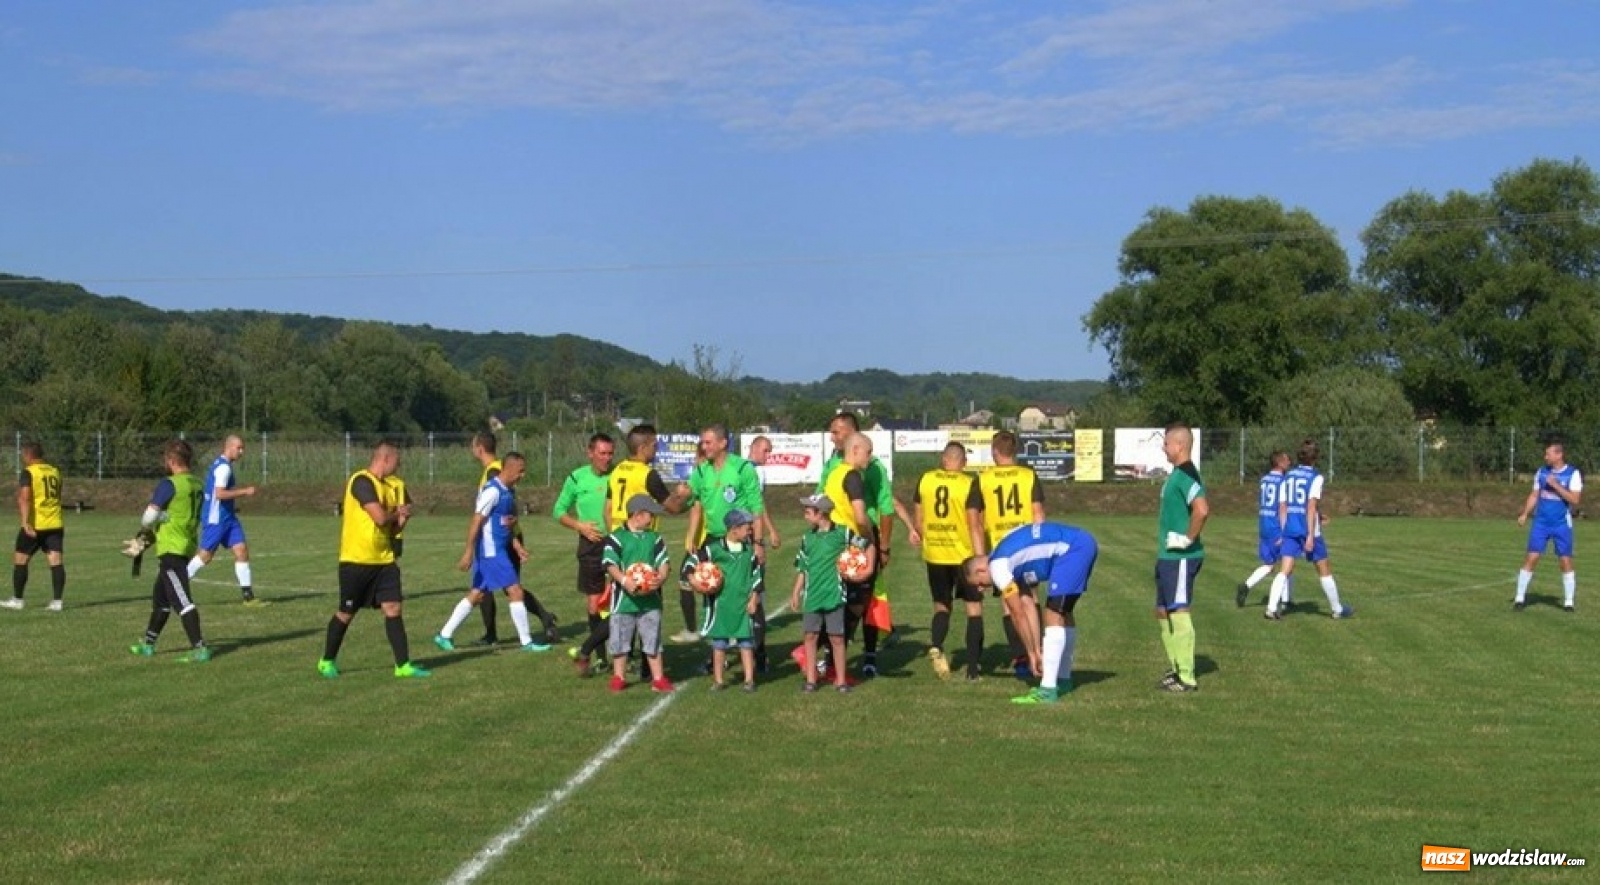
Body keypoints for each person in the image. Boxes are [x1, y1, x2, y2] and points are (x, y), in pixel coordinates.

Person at [316, 440, 430, 679]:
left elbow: (393, 528)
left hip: (384, 560)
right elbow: (379, 518)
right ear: (385, 459)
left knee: (393, 608)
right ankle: (327, 660)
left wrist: (403, 516)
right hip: (356, 561)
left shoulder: (390, 486)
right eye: (396, 463)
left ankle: (403, 665)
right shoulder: (361, 481)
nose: (397, 468)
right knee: (346, 613)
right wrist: (395, 513)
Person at [964, 522, 1098, 705]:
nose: (980, 589)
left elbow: (1017, 613)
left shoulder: (998, 567)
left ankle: (1047, 691)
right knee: (1063, 614)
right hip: (1081, 542)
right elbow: (1026, 604)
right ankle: (1064, 680)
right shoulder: (1003, 551)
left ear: (980, 570)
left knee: (1053, 613)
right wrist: (1034, 650)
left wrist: (1031, 654)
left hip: (1073, 550)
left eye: (977, 583)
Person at [434, 452, 551, 652]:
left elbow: (504, 523)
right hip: (491, 551)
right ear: (509, 468)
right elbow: (476, 521)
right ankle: (527, 642)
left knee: (477, 594)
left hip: (497, 549)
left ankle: (444, 635)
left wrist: (516, 545)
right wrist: (468, 551)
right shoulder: (492, 491)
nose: (523, 475)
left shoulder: (509, 491)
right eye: (520, 470)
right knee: (515, 591)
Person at [968, 430, 1046, 679]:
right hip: (1027, 546)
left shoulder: (983, 479)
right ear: (1015, 451)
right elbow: (1038, 515)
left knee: (1009, 604)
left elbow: (974, 523)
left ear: (994, 452)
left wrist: (981, 557)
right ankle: (1040, 653)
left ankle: (1022, 658)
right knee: (1030, 598)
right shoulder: (1028, 475)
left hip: (1001, 549)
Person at [679, 424, 765, 643]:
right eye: (702, 442)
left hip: (742, 539)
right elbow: (692, 502)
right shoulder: (701, 471)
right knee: (714, 591)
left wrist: (758, 542)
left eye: (708, 442)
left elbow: (756, 507)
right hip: (714, 539)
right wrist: (682, 496)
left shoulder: (742, 468)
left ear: (722, 443)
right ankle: (718, 650)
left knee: (748, 591)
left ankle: (758, 650)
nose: (703, 446)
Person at [128, 440, 211, 662]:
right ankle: (148, 644)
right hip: (185, 543)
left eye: (166, 460)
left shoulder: (170, 484)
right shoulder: (198, 484)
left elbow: (148, 517)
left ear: (172, 461)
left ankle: (199, 647)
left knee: (182, 600)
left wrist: (146, 530)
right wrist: (147, 540)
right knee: (161, 600)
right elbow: (177, 517)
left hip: (172, 550)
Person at [472, 431, 557, 645]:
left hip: (502, 538)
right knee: (504, 586)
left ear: (478, 447)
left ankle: (493, 633)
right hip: (505, 536)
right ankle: (542, 618)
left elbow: (505, 510)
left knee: (502, 586)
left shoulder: (495, 472)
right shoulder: (493, 471)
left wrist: (512, 539)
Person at [913, 442, 986, 681]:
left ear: (944, 459)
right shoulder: (969, 483)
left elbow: (919, 521)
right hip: (963, 555)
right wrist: (980, 558)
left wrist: (931, 539)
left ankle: (936, 644)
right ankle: (973, 669)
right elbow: (974, 524)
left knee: (941, 605)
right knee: (973, 609)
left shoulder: (925, 479)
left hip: (935, 554)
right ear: (963, 462)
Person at [1266, 438, 1352, 620]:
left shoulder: (1287, 476)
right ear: (1315, 458)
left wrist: (1283, 531)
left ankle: (1271, 608)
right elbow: (1310, 506)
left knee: (1285, 569)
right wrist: (1311, 536)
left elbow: (1283, 506)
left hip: (1290, 528)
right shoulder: (1316, 477)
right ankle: (1337, 610)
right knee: (1324, 568)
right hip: (1308, 529)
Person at [791, 494, 869, 693]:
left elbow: (866, 544)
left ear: (822, 514)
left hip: (834, 595)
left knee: (837, 638)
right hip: (812, 596)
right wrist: (796, 592)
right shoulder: (807, 538)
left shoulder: (843, 534)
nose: (805, 516)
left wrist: (863, 570)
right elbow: (802, 567)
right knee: (810, 636)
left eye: (808, 512)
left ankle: (841, 681)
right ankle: (811, 680)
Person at [602, 495, 674, 694]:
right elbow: (610, 564)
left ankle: (658, 678)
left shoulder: (654, 538)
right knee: (620, 639)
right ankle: (619, 676)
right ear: (637, 515)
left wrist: (661, 577)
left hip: (650, 601)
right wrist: (625, 581)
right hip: (623, 601)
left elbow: (664, 562)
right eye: (650, 514)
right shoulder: (616, 537)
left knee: (653, 640)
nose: (652, 519)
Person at [685, 509, 763, 692]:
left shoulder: (749, 552)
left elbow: (757, 578)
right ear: (734, 529)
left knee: (745, 643)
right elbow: (690, 564)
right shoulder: (714, 549)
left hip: (743, 606)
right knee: (719, 644)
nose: (750, 531)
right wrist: (695, 581)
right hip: (720, 605)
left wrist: (754, 599)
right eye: (747, 528)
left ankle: (749, 680)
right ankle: (718, 680)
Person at [1155, 424, 1208, 692]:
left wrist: (1187, 538)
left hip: (1181, 557)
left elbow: (1202, 509)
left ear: (1179, 446)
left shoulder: (1187, 475)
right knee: (1162, 611)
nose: (1163, 448)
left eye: (1166, 444)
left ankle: (1186, 677)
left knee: (1178, 608)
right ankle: (1176, 668)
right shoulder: (1177, 474)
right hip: (1168, 556)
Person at [552, 432, 615, 649]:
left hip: (617, 544)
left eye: (610, 454)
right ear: (590, 453)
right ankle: (600, 656)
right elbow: (558, 511)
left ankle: (624, 652)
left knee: (624, 602)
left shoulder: (618, 477)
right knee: (594, 603)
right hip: (591, 545)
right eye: (602, 453)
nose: (607, 458)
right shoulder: (577, 478)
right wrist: (580, 526)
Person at [186, 435, 265, 607]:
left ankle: (248, 597)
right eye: (239, 448)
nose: (241, 452)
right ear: (228, 447)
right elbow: (220, 494)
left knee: (242, 551)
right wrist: (245, 492)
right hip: (217, 519)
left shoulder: (223, 465)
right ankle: (176, 584)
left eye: (242, 448)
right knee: (205, 557)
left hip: (228, 518)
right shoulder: (223, 468)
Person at [1515, 440, 1582, 612]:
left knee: (1565, 560)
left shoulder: (1573, 474)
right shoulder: (1542, 472)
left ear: (1559, 455)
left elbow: (1575, 499)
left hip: (1561, 524)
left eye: (1548, 454)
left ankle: (1568, 602)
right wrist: (1525, 513)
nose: (1545, 457)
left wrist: (1556, 485)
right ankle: (1519, 599)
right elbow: (1535, 494)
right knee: (1531, 558)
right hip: (1541, 523)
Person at [6, 442, 65, 611]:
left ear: (28, 455)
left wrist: (25, 522)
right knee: (56, 562)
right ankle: (57, 602)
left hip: (36, 524)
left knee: (21, 559)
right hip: (55, 523)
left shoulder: (29, 472)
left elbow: (25, 498)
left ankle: (17, 600)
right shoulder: (55, 471)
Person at [1236, 451, 1291, 608]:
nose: (1289, 462)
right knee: (1286, 563)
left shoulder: (1264, 479)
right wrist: (1284, 529)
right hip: (1275, 525)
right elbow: (1282, 506)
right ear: (1279, 463)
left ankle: (1246, 585)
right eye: (1286, 459)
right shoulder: (1283, 481)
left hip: (1264, 524)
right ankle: (1285, 601)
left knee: (1270, 564)